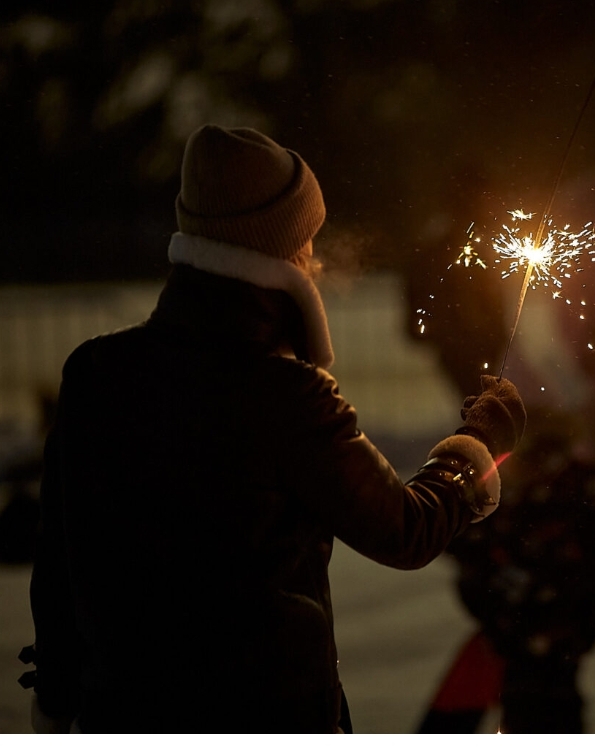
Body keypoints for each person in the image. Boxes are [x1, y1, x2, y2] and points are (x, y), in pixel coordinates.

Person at [20, 124, 526, 734]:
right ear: (280, 249)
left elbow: (59, 566)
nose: (315, 257)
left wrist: (55, 699)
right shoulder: (287, 395)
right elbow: (405, 529)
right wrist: (476, 446)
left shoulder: (95, 373)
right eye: (307, 239)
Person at [416, 407, 595, 733]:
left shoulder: (522, 486)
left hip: (537, 621)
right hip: (539, 622)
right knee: (541, 700)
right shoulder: (572, 483)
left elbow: (463, 540)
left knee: (535, 700)